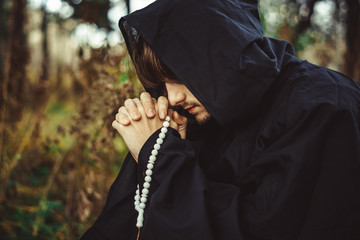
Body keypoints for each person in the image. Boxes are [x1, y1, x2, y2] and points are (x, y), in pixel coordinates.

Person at [81, 0, 360, 239]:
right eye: (163, 83)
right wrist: (160, 148)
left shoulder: (323, 110)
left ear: (220, 55)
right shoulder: (198, 115)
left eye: (179, 74)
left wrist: (162, 157)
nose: (173, 97)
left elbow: (264, 229)